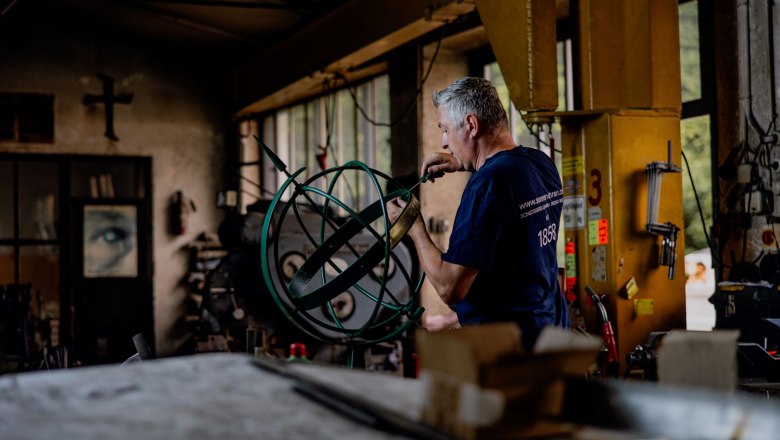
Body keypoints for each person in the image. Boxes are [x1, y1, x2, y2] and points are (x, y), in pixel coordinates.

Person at [388, 76, 569, 351]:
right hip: (549, 333)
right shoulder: (540, 163)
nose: (444, 142)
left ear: (471, 125)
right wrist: (464, 163)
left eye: (446, 130)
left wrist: (413, 227)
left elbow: (450, 287)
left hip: (509, 351)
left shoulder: (488, 184)